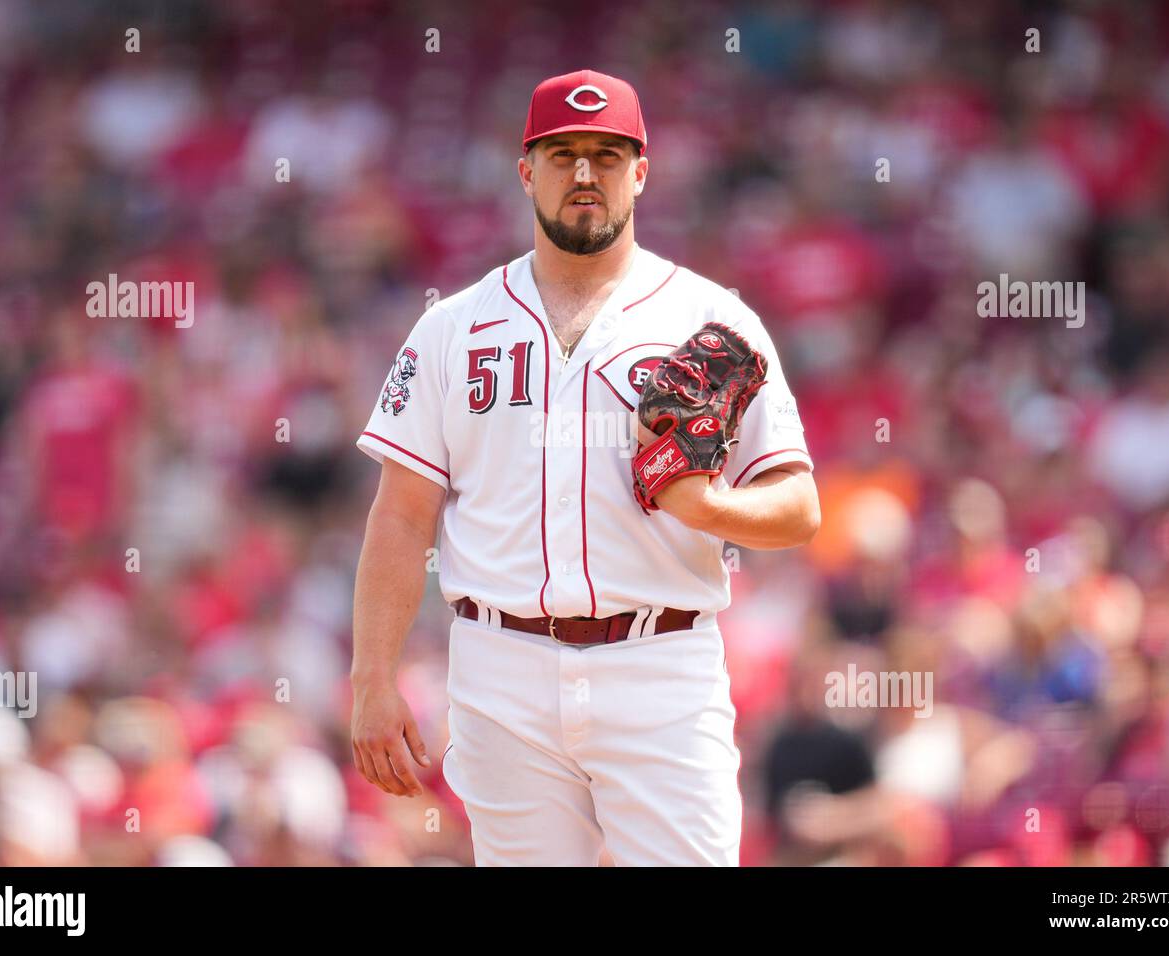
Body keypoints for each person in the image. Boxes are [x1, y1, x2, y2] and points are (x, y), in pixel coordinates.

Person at [348, 69, 821, 866]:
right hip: (502, 666)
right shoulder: (451, 328)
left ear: (640, 171)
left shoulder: (708, 316)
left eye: (607, 155)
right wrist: (371, 679)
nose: (584, 174)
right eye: (562, 154)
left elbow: (800, 505)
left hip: (661, 661)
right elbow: (400, 516)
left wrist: (709, 510)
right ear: (526, 170)